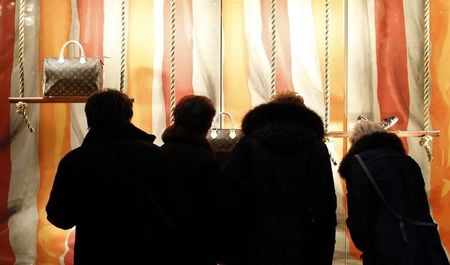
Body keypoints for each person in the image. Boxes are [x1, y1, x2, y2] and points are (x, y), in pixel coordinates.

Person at [46, 89, 186, 265]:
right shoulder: (157, 156)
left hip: (97, 253)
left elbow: (59, 217)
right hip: (149, 253)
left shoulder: (75, 160)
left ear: (89, 118)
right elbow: (177, 207)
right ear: (128, 115)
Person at [224, 91, 337, 265]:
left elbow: (232, 195)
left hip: (255, 238)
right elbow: (325, 204)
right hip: (302, 239)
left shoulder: (249, 144)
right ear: (301, 112)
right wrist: (324, 252)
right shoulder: (315, 148)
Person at [338, 119, 449, 265]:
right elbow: (421, 206)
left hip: (388, 249)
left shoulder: (360, 165)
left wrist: (368, 244)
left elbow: (359, 217)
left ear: (355, 141)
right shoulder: (408, 162)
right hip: (427, 244)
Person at [160, 94, 229, 265]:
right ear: (206, 124)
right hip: (198, 245)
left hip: (163, 243)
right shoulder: (206, 160)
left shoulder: (160, 154)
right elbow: (217, 209)